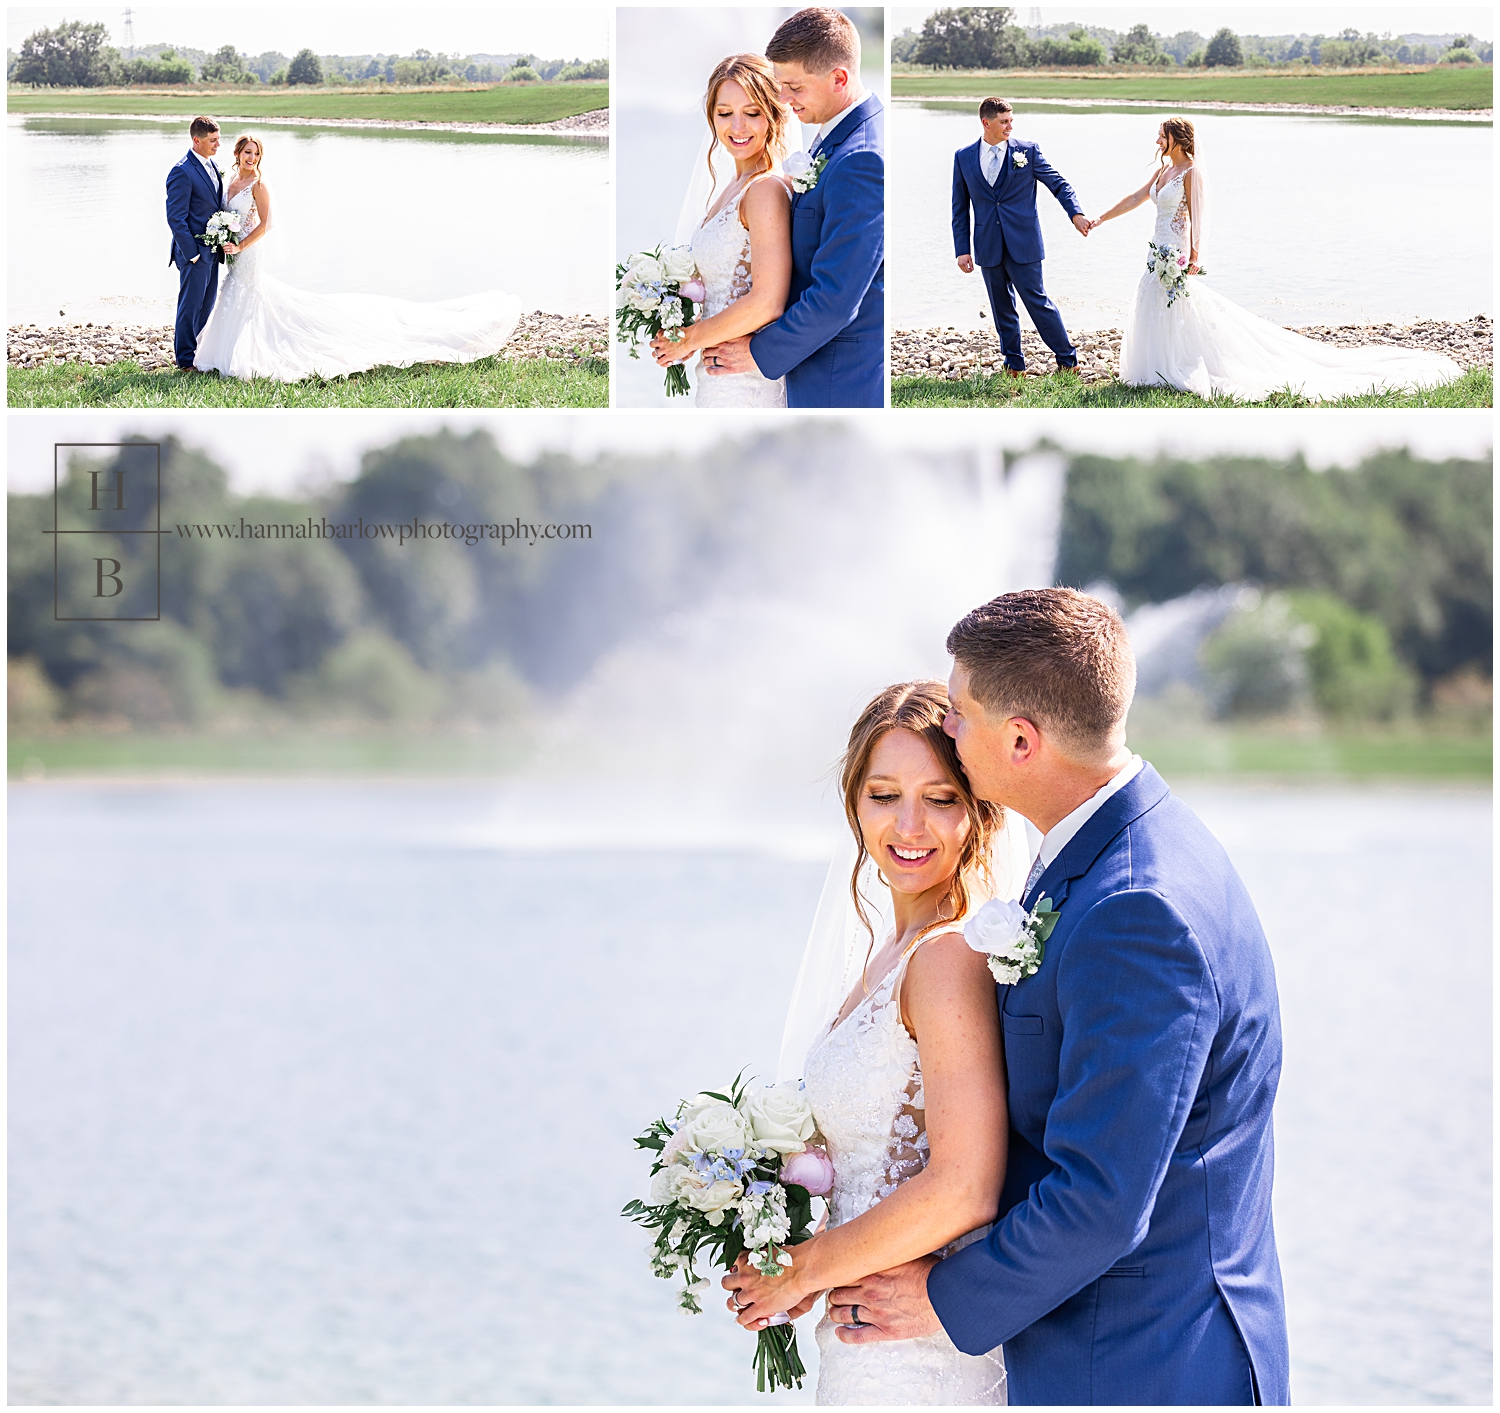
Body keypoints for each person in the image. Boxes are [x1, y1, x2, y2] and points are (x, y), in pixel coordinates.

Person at [729, 589, 1292, 1406]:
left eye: (958, 714)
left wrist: (936, 1296)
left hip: (1146, 1365)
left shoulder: (1137, 905)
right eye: (883, 793)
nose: (949, 731)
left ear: (1019, 739)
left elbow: (1100, 1197)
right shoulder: (1098, 867)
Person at [726, 680, 1028, 1403]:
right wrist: (789, 1247)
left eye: (941, 797)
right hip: (862, 1340)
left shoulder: (949, 956)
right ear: (854, 805)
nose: (909, 824)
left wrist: (803, 1270)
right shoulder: (892, 956)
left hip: (918, 1356)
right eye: (884, 794)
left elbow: (964, 1185)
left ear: (979, 809)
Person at [1089, 117, 1464, 399]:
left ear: (1178, 140)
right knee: (1155, 301)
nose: (1157, 139)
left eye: (1162, 135)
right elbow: (1137, 199)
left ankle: (1177, 368)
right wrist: (1100, 219)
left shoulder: (1190, 172)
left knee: (1179, 307)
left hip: (1175, 252)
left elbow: (1199, 217)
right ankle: (1155, 370)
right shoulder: (1163, 170)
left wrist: (1194, 257)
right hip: (1156, 250)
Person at [191, 134, 520, 382]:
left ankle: (242, 353)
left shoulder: (260, 185)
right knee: (234, 294)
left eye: (257, 153)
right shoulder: (231, 179)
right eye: (248, 152)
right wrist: (224, 236)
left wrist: (241, 245)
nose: (252, 158)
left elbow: (267, 224)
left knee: (249, 295)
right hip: (234, 253)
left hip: (249, 253)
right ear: (237, 154)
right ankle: (220, 352)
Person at [697, 8, 885, 408]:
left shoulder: (862, 156)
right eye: (780, 85)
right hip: (801, 368)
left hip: (840, 377)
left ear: (839, 78)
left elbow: (836, 296)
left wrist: (758, 352)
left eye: (794, 87)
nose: (782, 99)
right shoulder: (831, 139)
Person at [649, 55, 793, 408]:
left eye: (752, 112)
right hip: (717, 373)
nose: (738, 127)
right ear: (712, 118)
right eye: (725, 113)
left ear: (774, 114)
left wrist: (690, 339)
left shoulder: (764, 190)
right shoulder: (733, 186)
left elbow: (768, 301)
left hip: (745, 382)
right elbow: (725, 288)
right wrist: (680, 326)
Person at [951, 98, 1090, 377]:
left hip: (1023, 242)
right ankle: (1014, 364)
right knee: (1001, 308)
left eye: (1011, 120)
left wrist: (1076, 213)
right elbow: (959, 207)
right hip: (987, 244)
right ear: (985, 123)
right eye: (1004, 121)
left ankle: (1067, 359)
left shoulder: (1027, 151)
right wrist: (961, 249)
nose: (1010, 126)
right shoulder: (963, 156)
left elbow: (1058, 184)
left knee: (1038, 302)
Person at [164, 117, 227, 372]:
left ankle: (199, 354)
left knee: (207, 304)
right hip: (194, 254)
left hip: (213, 251)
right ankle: (185, 361)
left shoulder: (212, 165)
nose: (218, 145)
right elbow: (175, 218)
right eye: (213, 140)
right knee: (189, 307)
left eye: (218, 139)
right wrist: (191, 255)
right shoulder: (182, 170)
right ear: (196, 140)